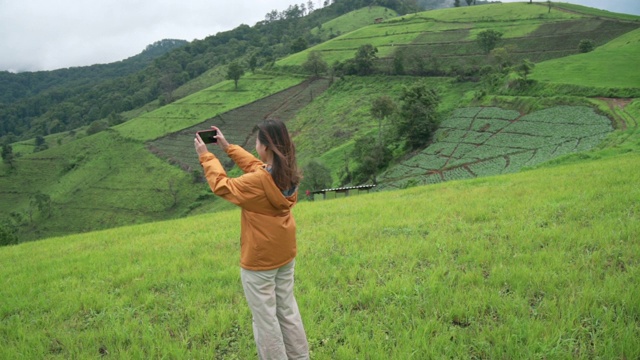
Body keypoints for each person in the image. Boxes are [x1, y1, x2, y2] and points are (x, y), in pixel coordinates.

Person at [194, 119, 309, 360]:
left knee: (265, 320)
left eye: (257, 142)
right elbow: (256, 167)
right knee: (287, 311)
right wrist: (227, 147)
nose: (256, 146)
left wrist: (206, 157)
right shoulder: (286, 172)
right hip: (285, 254)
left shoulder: (259, 181)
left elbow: (222, 185)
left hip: (260, 262)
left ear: (266, 147)